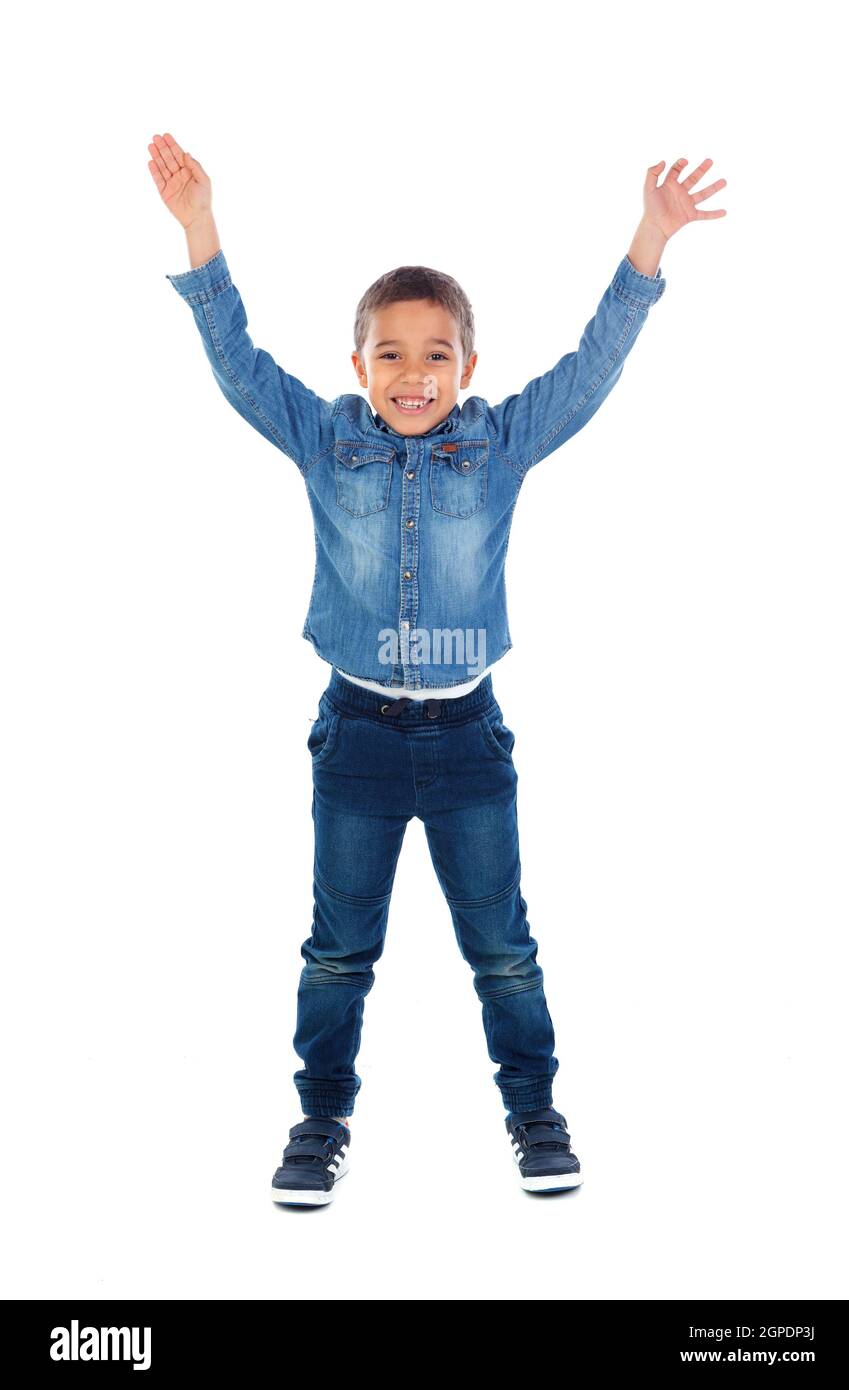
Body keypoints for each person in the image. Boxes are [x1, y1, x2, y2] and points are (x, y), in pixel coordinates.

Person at [149, 131, 727, 1205]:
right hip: (357, 737)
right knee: (338, 948)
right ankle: (319, 1120)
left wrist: (648, 244)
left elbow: (590, 365)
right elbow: (238, 362)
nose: (412, 375)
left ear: (469, 367)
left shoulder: (499, 442)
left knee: (502, 947)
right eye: (390, 354)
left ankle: (534, 1112)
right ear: (355, 364)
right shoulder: (327, 440)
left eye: (435, 354)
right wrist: (199, 231)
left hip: (467, 740)